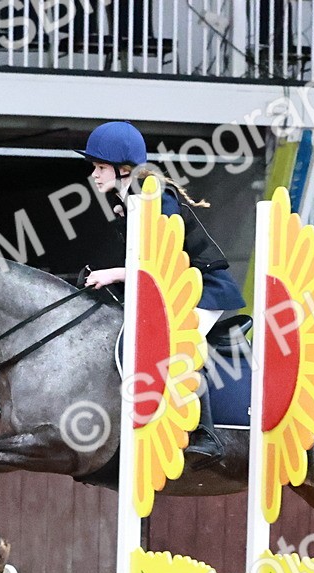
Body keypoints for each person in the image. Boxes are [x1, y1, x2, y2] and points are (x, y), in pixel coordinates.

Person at [78, 121, 246, 470]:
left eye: (99, 167)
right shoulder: (130, 201)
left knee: (176, 345)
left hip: (205, 287)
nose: (93, 175)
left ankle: (206, 434)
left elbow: (160, 265)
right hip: (177, 286)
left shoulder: (157, 199)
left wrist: (114, 273)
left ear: (123, 169)